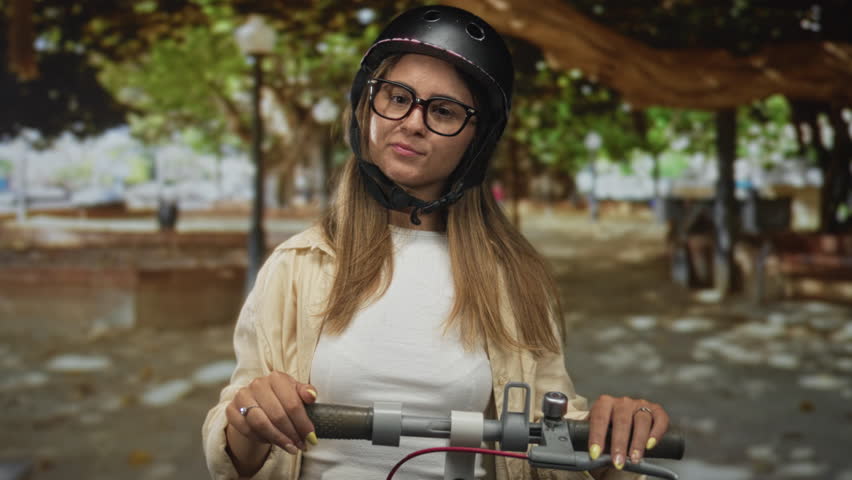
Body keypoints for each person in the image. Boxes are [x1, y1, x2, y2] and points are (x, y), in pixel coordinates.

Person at [203, 5, 670, 480]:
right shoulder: (296, 265)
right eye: (397, 97)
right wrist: (249, 417)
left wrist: (613, 439)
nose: (413, 122)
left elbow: (553, 442)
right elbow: (233, 446)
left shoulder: (515, 279)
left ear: (477, 140)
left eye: (444, 111)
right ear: (367, 105)